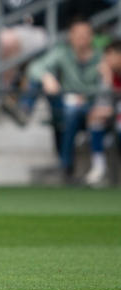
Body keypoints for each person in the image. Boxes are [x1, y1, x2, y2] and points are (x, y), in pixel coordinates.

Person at [27, 18, 102, 182]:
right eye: (78, 35)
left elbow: (106, 86)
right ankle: (24, 108)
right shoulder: (63, 53)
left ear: (91, 36)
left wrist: (87, 96)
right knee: (70, 112)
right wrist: (47, 77)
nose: (81, 39)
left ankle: (66, 166)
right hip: (67, 104)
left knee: (73, 113)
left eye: (85, 35)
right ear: (71, 36)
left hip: (94, 105)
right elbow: (35, 67)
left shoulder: (100, 57)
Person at [87, 38, 121, 185]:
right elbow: (103, 100)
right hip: (114, 114)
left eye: (110, 55)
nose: (107, 59)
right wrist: (107, 79)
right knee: (95, 117)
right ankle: (98, 167)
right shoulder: (108, 73)